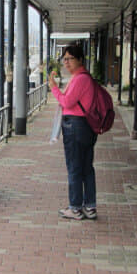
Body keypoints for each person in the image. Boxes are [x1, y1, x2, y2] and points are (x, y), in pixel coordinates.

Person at [48, 43, 98, 220]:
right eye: (65, 59)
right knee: (86, 168)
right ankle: (89, 206)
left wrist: (53, 87)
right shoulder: (82, 77)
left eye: (70, 59)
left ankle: (76, 207)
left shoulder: (80, 79)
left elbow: (66, 102)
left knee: (75, 167)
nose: (66, 62)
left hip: (76, 126)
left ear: (80, 60)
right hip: (84, 126)